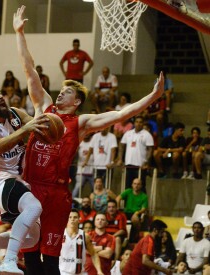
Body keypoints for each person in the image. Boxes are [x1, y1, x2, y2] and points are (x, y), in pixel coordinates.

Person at [13, 5, 165, 274]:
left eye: (66, 93)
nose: (60, 94)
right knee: (29, 255)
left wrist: (152, 97)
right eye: (60, 91)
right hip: (31, 187)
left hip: (57, 193)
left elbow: (122, 113)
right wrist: (19, 33)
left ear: (78, 101)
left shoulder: (81, 122)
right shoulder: (43, 107)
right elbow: (29, 70)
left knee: (49, 258)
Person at [0, 83, 45, 274]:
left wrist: (48, 121)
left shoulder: (15, 113)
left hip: (17, 179)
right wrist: (25, 130)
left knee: (33, 237)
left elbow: (39, 124)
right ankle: (9, 259)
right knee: (34, 207)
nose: (0, 96)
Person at [59, 209, 103, 275]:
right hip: (63, 272)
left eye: (75, 217)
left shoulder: (85, 236)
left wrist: (99, 271)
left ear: (79, 219)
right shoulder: (60, 234)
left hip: (80, 273)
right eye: (70, 217)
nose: (72, 219)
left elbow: (93, 253)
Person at [117, 115, 154, 192]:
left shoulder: (147, 135)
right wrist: (120, 159)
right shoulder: (128, 133)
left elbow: (150, 149)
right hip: (128, 165)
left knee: (141, 187)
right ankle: (127, 204)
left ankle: (143, 204)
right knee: (127, 187)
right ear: (134, 123)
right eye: (137, 122)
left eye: (140, 122)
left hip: (140, 166)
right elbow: (121, 146)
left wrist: (146, 161)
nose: (138, 124)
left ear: (143, 123)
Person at [116, 178, 148, 243]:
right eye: (135, 184)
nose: (136, 186)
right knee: (117, 216)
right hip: (126, 212)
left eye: (138, 184)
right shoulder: (128, 191)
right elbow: (118, 198)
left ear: (141, 186)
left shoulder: (144, 196)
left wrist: (137, 213)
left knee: (135, 219)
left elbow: (144, 209)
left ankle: (132, 239)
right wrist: (118, 209)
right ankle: (120, 236)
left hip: (136, 213)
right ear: (132, 185)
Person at [72, 133, 95, 198]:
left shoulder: (93, 142)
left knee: (95, 189)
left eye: (87, 134)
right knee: (77, 188)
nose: (86, 135)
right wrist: (76, 149)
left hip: (92, 170)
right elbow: (73, 155)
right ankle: (72, 203)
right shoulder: (79, 143)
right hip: (81, 170)